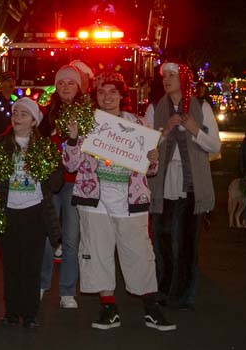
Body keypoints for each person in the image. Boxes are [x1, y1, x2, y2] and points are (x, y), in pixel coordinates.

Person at [62, 71, 175, 331]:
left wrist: (153, 156)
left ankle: (150, 307)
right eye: (101, 92)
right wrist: (72, 138)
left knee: (139, 253)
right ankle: (109, 307)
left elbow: (151, 169)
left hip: (130, 199)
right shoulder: (87, 124)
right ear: (95, 96)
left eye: (113, 91)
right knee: (98, 253)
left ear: (122, 95)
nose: (107, 97)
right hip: (95, 200)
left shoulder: (136, 124)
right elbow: (71, 164)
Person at [146, 62, 220, 311]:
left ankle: (184, 293)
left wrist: (195, 129)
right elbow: (144, 147)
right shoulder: (154, 108)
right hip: (163, 182)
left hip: (192, 184)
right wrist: (164, 131)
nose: (167, 79)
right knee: (162, 237)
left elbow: (215, 146)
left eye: (172, 75)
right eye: (164, 76)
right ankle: (163, 287)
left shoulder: (202, 107)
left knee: (187, 241)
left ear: (183, 79)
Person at [0, 97, 64, 329]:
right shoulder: (2, 145)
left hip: (34, 212)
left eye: (24, 114)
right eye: (15, 113)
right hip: (9, 212)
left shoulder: (43, 147)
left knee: (32, 265)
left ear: (34, 121)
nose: (17, 117)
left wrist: (44, 167)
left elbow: (56, 183)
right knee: (11, 265)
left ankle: (31, 312)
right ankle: (12, 312)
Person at [37, 64, 90, 310]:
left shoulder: (88, 112)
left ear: (78, 86)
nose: (66, 87)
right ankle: (41, 283)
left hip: (76, 183)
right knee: (47, 236)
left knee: (71, 239)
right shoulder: (47, 114)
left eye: (70, 82)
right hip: (51, 182)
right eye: (61, 83)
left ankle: (67, 290)